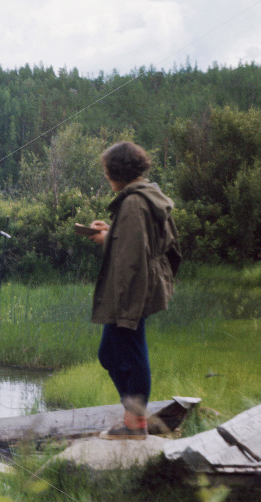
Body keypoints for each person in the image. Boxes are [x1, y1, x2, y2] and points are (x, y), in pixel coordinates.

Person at [86, 141, 181, 440]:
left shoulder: (132, 204)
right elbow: (146, 244)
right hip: (142, 285)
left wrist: (127, 307)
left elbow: (130, 260)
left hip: (131, 290)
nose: (105, 177)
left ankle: (134, 425)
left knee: (129, 353)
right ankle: (134, 419)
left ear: (117, 173)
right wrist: (110, 234)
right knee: (111, 353)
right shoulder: (148, 195)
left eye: (106, 172)